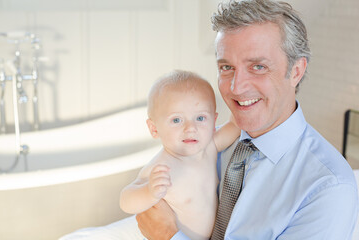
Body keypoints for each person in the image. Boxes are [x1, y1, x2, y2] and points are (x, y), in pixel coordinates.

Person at [136, 0, 359, 239]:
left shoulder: (328, 188)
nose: (236, 87)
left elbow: (163, 227)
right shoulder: (205, 143)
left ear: (296, 71)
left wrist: (169, 236)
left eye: (258, 67)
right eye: (227, 67)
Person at [120, 70, 241, 239]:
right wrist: (149, 192)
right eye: (177, 120)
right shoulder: (163, 166)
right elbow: (126, 200)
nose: (190, 128)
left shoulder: (209, 147)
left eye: (200, 118)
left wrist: (241, 104)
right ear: (154, 129)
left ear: (214, 122)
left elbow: (236, 125)